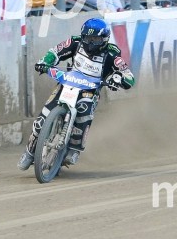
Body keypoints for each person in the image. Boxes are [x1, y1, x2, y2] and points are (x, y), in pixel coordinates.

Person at [19, 18, 135, 170]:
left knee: (84, 113)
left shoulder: (112, 54)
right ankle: (29, 153)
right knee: (42, 118)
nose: (90, 43)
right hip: (68, 82)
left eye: (95, 39)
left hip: (90, 90)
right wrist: (45, 62)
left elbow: (129, 76)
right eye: (88, 38)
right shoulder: (75, 42)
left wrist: (118, 79)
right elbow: (55, 52)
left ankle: (74, 149)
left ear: (104, 39)